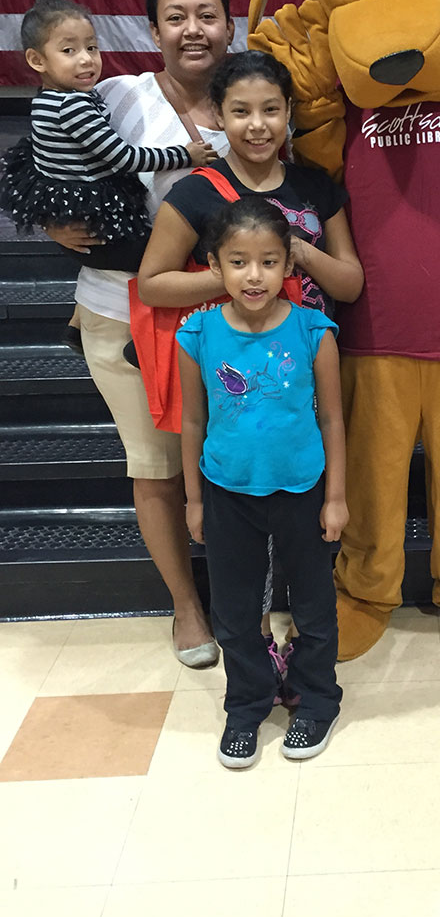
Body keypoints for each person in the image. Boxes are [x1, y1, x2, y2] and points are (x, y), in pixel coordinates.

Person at [137, 50, 363, 680]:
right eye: (240, 112)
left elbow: (349, 282)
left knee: (307, 526)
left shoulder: (315, 184)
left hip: (305, 377)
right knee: (243, 539)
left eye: (270, 109)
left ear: (290, 113)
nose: (257, 125)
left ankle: (306, 647)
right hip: (239, 389)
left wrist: (294, 255)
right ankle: (257, 651)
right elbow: (152, 284)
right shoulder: (196, 193)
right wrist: (233, 283)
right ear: (220, 117)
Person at [43, 0, 236, 665]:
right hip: (121, 313)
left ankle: (250, 595)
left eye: (207, 14)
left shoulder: (253, 97)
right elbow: (44, 164)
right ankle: (187, 607)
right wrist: (48, 222)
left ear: (229, 24)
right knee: (155, 467)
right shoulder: (114, 98)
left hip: (232, 316)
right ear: (152, 31)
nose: (194, 29)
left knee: (235, 459)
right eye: (176, 17)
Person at [178, 197, 345, 767]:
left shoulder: (313, 331)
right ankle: (246, 704)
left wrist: (338, 497)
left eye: (270, 262)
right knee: (234, 610)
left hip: (302, 489)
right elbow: (193, 420)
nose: (255, 276)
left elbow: (332, 418)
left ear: (289, 266)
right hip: (226, 491)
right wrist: (195, 500)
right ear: (214, 266)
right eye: (240, 262)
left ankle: (317, 699)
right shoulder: (197, 335)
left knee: (315, 604)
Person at [0, 0, 217, 349]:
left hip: (80, 216)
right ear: (37, 60)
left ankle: (75, 323)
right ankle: (137, 344)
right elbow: (125, 158)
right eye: (69, 51)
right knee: (163, 258)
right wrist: (185, 155)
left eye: (92, 48)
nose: (86, 60)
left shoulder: (46, 100)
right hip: (96, 224)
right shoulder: (74, 108)